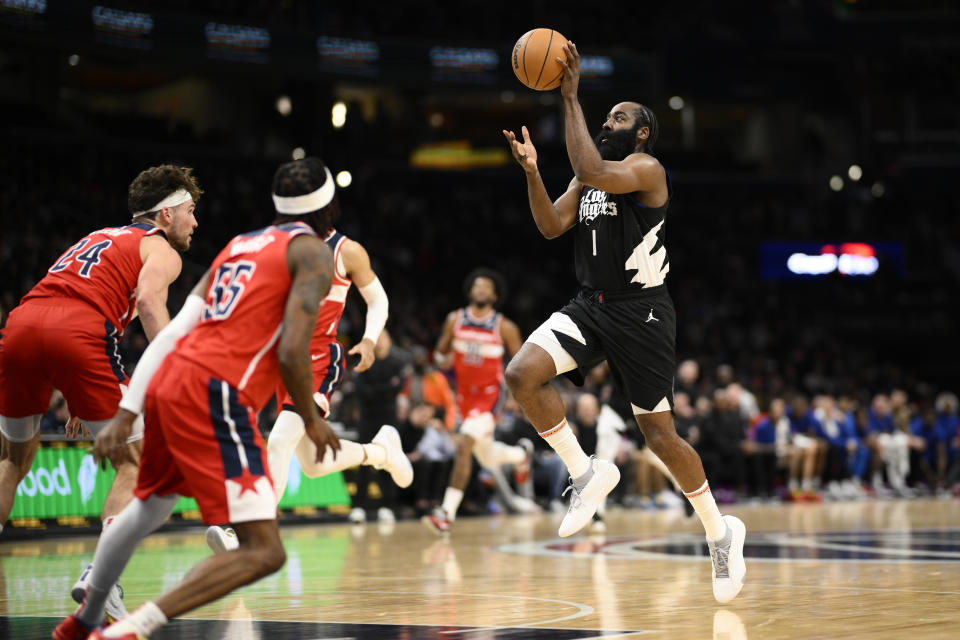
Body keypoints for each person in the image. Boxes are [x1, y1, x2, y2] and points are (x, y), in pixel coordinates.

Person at [52, 156, 340, 640]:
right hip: (218, 393)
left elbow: (171, 334)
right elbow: (293, 351)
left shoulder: (238, 246)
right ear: (328, 207)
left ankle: (82, 621)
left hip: (172, 382)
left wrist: (129, 409)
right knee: (264, 550)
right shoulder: (313, 254)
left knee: (152, 504)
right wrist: (311, 418)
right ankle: (129, 629)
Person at [500, 41, 745, 603]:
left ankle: (719, 531)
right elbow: (550, 225)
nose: (609, 121)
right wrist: (534, 172)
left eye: (619, 118)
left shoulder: (643, 169)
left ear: (640, 134)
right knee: (521, 374)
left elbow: (588, 164)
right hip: (592, 304)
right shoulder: (591, 177)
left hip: (644, 312)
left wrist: (569, 93)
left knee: (659, 435)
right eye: (606, 116)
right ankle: (586, 474)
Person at [0, 164, 201, 619]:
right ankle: (101, 579)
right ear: (166, 215)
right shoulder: (162, 250)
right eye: (191, 211)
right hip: (80, 333)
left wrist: (73, 389)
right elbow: (148, 302)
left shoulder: (96, 236)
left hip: (22, 324)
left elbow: (64, 299)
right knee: (137, 461)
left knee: (11, 460)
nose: (195, 222)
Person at [205, 160, 411, 552]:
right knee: (315, 466)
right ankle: (381, 451)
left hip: (317, 360)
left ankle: (245, 532)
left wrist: (368, 340)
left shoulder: (345, 251)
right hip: (277, 361)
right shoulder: (273, 244)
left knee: (279, 442)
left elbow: (378, 298)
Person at [422, 268, 533, 534]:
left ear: (495, 295)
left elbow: (522, 364)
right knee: (485, 455)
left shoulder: (504, 326)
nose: (481, 289)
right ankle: (521, 454)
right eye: (477, 286)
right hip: (464, 398)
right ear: (470, 291)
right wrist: (443, 361)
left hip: (490, 398)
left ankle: (446, 514)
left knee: (464, 445)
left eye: (487, 287)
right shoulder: (455, 319)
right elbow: (440, 353)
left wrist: (519, 398)